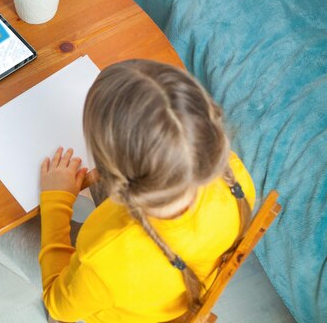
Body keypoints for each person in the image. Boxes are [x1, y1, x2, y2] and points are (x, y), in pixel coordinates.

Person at [38, 59, 256, 323]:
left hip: (105, 294)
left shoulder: (103, 255)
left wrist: (56, 201)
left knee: (11, 228)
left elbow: (57, 305)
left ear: (110, 171)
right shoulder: (235, 176)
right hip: (168, 288)